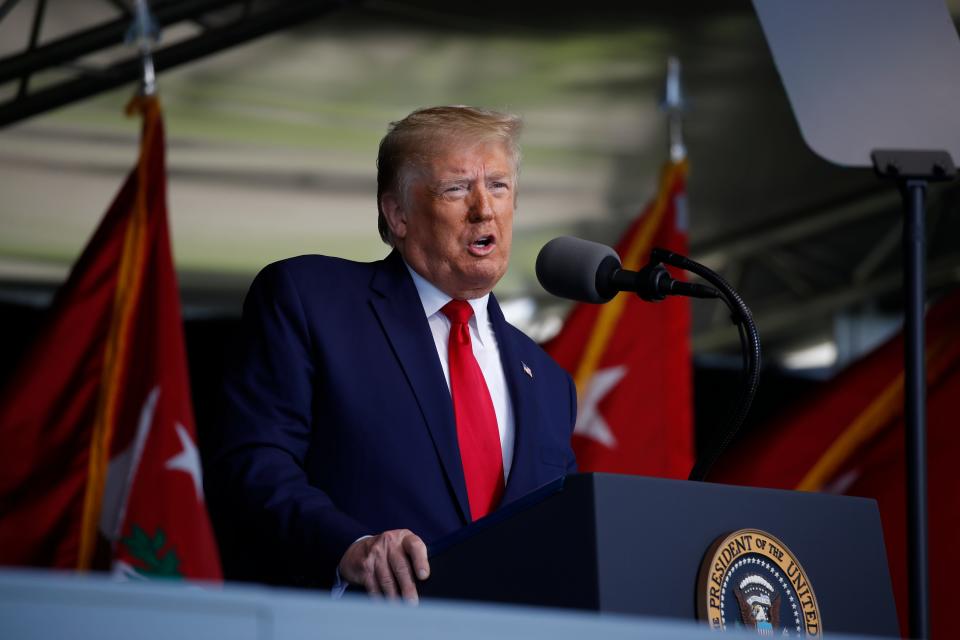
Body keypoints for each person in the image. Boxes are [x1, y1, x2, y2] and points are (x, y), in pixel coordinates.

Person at [207, 106, 577, 602]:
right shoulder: (312, 300)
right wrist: (350, 547)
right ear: (397, 214)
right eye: (456, 188)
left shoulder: (550, 381)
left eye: (499, 186)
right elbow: (255, 462)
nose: (484, 209)